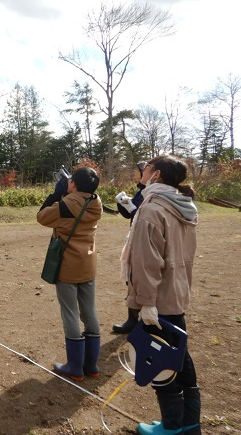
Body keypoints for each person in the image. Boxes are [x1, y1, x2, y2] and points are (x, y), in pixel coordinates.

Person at [123, 156, 200, 435]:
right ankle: (188, 424)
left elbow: (147, 262)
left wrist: (145, 302)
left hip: (159, 300)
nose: (142, 173)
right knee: (182, 362)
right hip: (177, 293)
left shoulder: (152, 209)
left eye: (146, 169)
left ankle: (170, 427)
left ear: (156, 175)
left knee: (161, 364)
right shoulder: (184, 206)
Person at [37, 167, 103, 381]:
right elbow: (79, 202)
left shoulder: (65, 204)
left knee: (70, 314)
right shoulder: (96, 201)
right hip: (88, 263)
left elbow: (42, 217)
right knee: (89, 312)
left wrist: (57, 194)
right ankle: (91, 365)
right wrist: (71, 190)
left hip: (68, 265)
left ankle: (75, 366)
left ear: (73, 184)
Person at [112, 161, 146, 333]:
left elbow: (142, 217)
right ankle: (133, 319)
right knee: (131, 279)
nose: (134, 174)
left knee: (136, 279)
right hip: (134, 236)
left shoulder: (150, 192)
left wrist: (133, 208)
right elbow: (129, 215)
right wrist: (122, 202)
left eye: (137, 171)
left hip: (142, 239)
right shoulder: (141, 190)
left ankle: (136, 321)